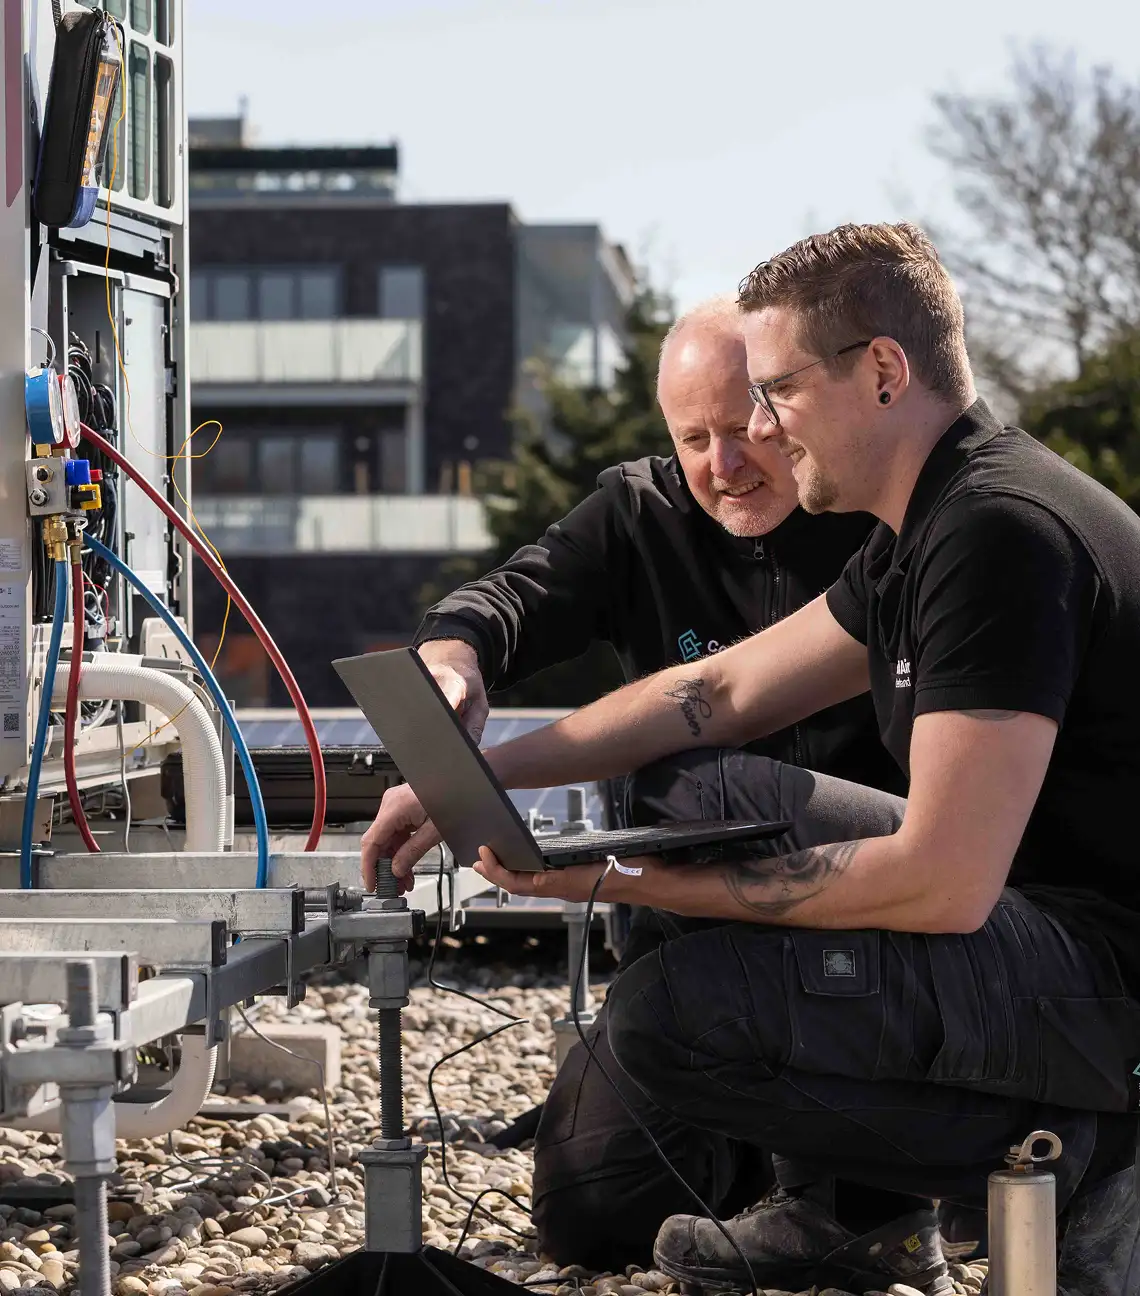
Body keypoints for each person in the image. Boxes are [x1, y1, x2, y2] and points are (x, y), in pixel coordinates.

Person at [368, 223, 1140, 1296]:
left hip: (1099, 987)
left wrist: (608, 877)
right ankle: (849, 1217)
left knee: (670, 1017)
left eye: (777, 393)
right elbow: (715, 694)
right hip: (1036, 944)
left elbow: (943, 880)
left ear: (882, 372)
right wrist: (485, 778)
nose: (764, 430)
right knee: (695, 788)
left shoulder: (999, 531)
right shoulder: (932, 522)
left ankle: (1085, 1159)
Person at [400, 297, 901, 1270]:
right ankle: (748, 1146)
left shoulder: (878, 521)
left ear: (791, 408)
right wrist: (453, 658)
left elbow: (717, 694)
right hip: (689, 951)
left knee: (701, 784)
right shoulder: (640, 511)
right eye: (693, 439)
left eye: (746, 428)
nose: (725, 466)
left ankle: (854, 1181)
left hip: (871, 926)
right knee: (592, 1218)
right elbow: (513, 595)